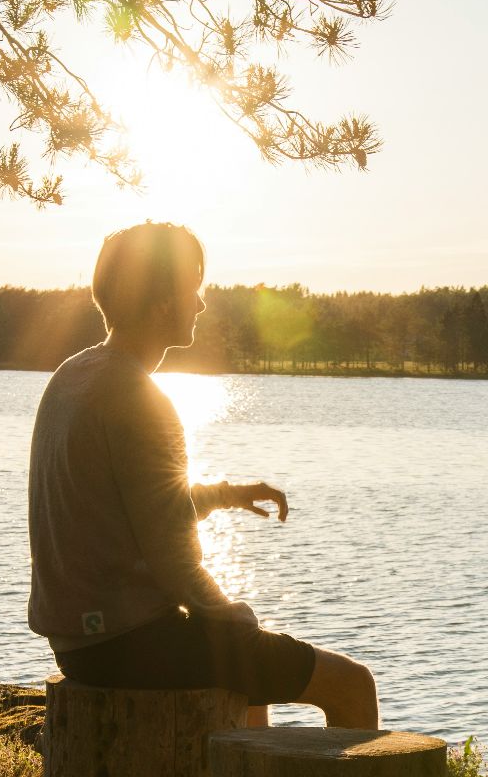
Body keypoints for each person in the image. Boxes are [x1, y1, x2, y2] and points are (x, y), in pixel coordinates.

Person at [28, 222, 377, 727]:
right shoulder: (140, 398)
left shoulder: (75, 374)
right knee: (350, 683)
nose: (202, 303)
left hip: (78, 643)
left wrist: (226, 495)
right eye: (193, 289)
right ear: (163, 303)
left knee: (244, 673)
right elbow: (176, 559)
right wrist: (236, 617)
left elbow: (135, 506)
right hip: (130, 644)